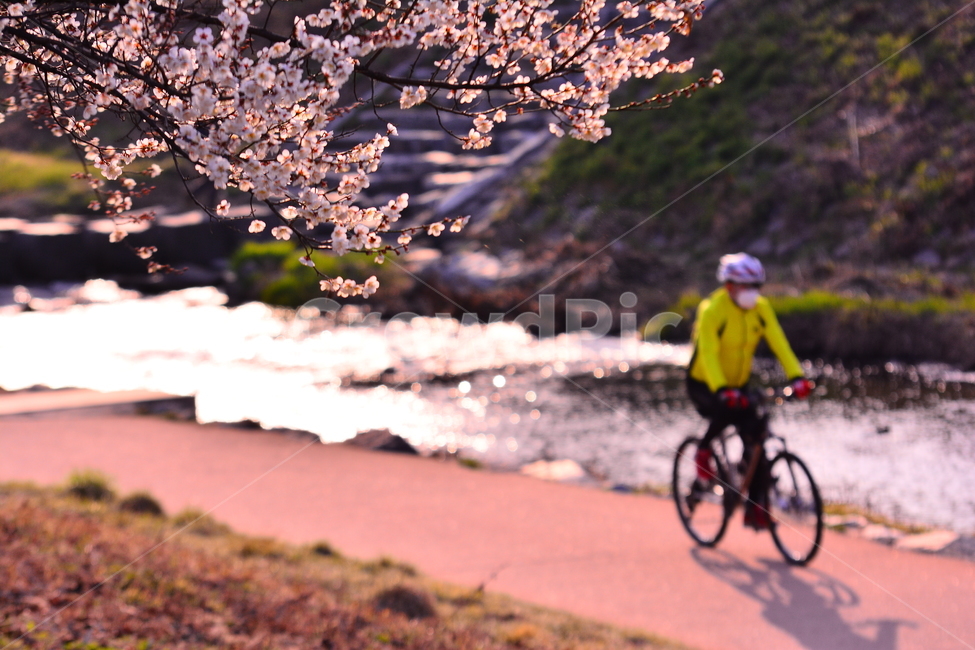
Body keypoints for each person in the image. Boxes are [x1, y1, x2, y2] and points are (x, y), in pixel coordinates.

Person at [686, 253, 813, 530]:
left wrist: (797, 377)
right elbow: (707, 353)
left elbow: (779, 342)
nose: (752, 293)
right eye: (746, 286)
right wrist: (721, 388)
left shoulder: (761, 308)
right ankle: (703, 452)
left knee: (756, 436)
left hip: (738, 383)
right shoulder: (712, 310)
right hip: (705, 383)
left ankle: (756, 509)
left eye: (756, 287)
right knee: (726, 410)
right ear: (729, 286)